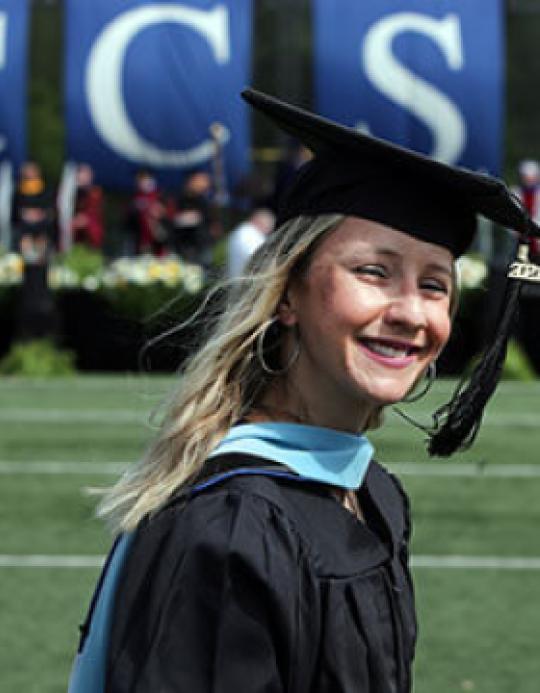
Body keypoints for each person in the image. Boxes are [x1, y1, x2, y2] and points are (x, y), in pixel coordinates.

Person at [69, 90, 535, 692]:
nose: (410, 312)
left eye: (434, 285)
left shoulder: (373, 494)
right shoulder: (231, 528)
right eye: (373, 271)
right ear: (287, 291)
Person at [226, 207, 275, 278]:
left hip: (241, 278)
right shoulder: (248, 232)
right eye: (268, 226)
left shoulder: (243, 231)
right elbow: (256, 257)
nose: (268, 231)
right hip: (247, 279)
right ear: (258, 220)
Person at [71, 163, 105, 250]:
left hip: (90, 227)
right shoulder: (71, 193)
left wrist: (84, 218)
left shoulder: (95, 192)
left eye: (86, 175)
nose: (84, 178)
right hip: (74, 229)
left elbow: (95, 211)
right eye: (81, 175)